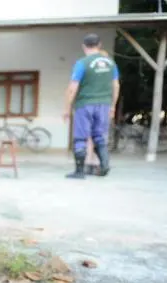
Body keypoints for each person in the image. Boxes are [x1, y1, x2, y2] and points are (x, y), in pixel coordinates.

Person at [63, 33, 120, 179]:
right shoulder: (111, 63)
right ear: (99, 45)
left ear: (83, 46)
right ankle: (105, 166)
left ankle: (80, 171)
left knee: (80, 138)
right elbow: (116, 85)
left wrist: (67, 108)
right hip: (104, 104)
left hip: (85, 104)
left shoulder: (82, 63)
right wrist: (113, 105)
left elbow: (72, 87)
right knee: (99, 137)